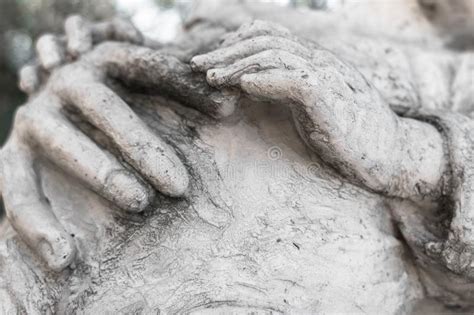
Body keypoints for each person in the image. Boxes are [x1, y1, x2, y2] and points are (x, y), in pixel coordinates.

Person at [0, 0, 473, 312]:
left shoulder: (458, 71)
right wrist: (73, 81)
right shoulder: (226, 10)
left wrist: (406, 150)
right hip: (50, 255)